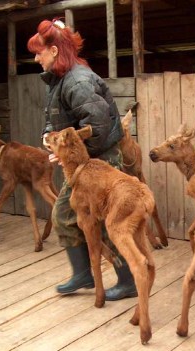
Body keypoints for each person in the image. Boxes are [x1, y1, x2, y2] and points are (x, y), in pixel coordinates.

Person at [27, 18, 137, 300]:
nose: (36, 58)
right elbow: (56, 120)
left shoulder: (78, 80)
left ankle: (128, 282)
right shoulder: (60, 79)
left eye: (38, 52)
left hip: (99, 163)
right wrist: (51, 140)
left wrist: (68, 152)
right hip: (82, 165)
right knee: (65, 214)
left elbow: (97, 128)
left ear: (53, 51)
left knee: (110, 221)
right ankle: (84, 274)